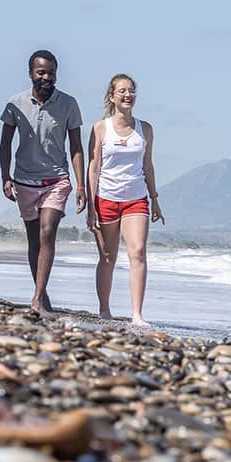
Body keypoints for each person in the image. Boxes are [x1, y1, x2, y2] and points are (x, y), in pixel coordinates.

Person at [0, 50, 86, 313]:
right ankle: (42, 293)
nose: (47, 77)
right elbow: (5, 143)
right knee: (34, 240)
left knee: (48, 231)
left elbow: (76, 147)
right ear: (31, 74)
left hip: (56, 179)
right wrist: (5, 176)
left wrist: (80, 185)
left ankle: (37, 298)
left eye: (51, 73)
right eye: (41, 73)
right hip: (24, 180)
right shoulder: (16, 103)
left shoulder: (68, 104)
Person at [86, 74, 164, 326]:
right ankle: (104, 309)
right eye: (122, 91)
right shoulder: (100, 128)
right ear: (111, 96)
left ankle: (137, 314)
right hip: (106, 197)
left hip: (136, 199)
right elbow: (94, 168)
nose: (128, 95)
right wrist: (90, 205)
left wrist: (154, 198)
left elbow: (147, 165)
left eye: (131, 91)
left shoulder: (145, 129)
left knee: (138, 252)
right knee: (108, 256)